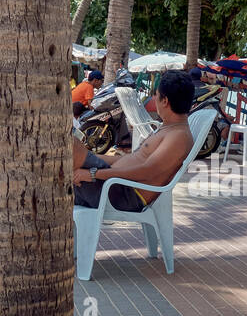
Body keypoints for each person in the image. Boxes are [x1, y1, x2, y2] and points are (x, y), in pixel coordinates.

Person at [72, 70, 196, 212]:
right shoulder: (168, 129)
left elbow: (147, 171)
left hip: (122, 194)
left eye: (155, 95)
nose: (154, 99)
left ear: (165, 101)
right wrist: (91, 158)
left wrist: (93, 173)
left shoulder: (178, 137)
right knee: (69, 150)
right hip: (114, 184)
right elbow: (131, 160)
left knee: (69, 146)